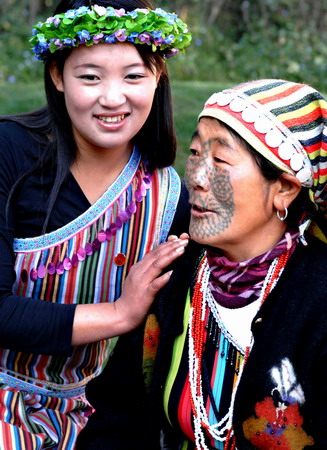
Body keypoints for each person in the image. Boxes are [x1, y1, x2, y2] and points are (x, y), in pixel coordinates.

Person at [79, 78, 327, 450]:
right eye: (195, 154)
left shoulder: (318, 299)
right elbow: (117, 414)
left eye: (220, 160)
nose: (194, 177)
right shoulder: (178, 275)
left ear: (285, 188)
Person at [0, 0, 192, 447]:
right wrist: (120, 314)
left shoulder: (166, 193)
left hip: (98, 412)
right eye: (90, 76)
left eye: (133, 75)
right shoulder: (10, 151)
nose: (112, 97)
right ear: (57, 76)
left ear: (158, 75)